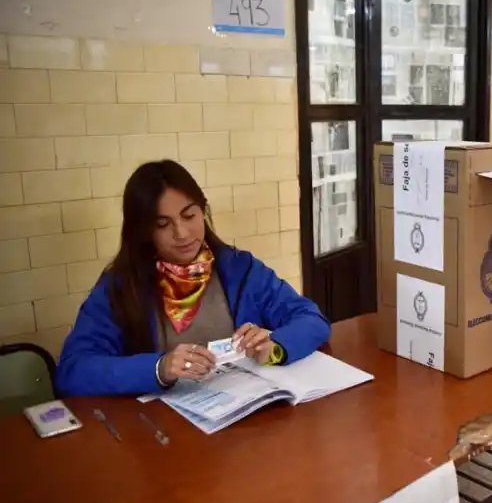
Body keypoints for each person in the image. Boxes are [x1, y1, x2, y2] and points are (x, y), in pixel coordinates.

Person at [55, 160, 331, 397]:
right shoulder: (120, 287)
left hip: (244, 422)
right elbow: (72, 371)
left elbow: (311, 319)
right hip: (161, 436)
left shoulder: (239, 269)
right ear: (143, 231)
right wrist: (159, 368)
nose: (183, 233)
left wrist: (275, 347)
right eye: (163, 224)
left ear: (203, 210)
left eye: (189, 215)